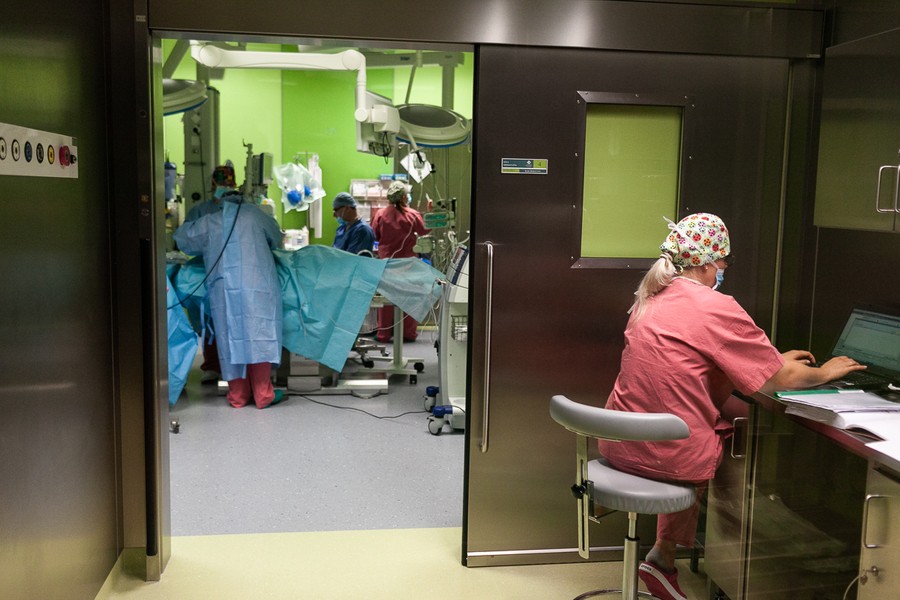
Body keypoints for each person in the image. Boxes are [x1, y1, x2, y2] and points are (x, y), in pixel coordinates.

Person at [596, 213, 866, 600]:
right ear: (707, 263)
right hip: (667, 452)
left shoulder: (652, 296)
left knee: (727, 418)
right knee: (729, 433)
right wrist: (824, 372)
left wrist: (770, 360)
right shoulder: (715, 306)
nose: (724, 269)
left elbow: (694, 363)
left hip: (618, 441)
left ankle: (665, 554)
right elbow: (781, 380)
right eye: (724, 261)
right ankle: (750, 547)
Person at [173, 183, 285, 409]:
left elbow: (183, 239)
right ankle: (263, 393)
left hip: (224, 289)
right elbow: (276, 237)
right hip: (258, 286)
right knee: (260, 334)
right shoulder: (256, 215)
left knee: (229, 335)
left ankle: (238, 395)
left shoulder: (210, 221)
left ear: (220, 202)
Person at [181, 164, 235, 384]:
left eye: (228, 183)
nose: (224, 186)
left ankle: (237, 369)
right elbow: (185, 240)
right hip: (207, 270)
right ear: (212, 184)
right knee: (210, 320)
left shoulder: (241, 210)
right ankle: (212, 365)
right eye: (221, 182)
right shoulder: (200, 211)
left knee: (234, 322)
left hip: (235, 270)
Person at [371, 180, 429, 343]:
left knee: (386, 299)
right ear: (404, 196)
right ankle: (408, 333)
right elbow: (424, 230)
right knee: (409, 298)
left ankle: (383, 334)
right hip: (408, 264)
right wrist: (431, 213)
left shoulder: (381, 215)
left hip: (388, 263)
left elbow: (375, 235)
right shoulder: (413, 215)